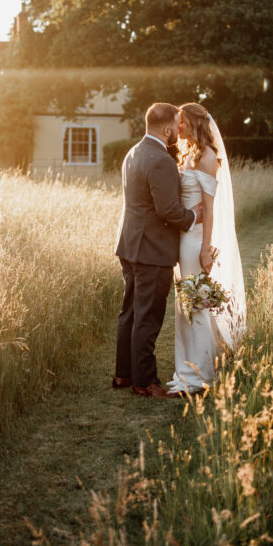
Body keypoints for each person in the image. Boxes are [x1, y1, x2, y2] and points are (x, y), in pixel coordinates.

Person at [113, 103, 203, 399]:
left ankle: (124, 374)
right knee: (148, 316)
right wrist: (193, 216)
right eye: (176, 126)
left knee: (130, 313)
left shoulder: (133, 152)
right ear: (166, 129)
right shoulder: (161, 160)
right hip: (151, 249)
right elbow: (169, 211)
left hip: (129, 244)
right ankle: (145, 382)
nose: (178, 131)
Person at [166, 102, 246, 397]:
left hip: (195, 240)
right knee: (185, 304)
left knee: (195, 305)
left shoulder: (208, 157)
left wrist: (205, 249)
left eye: (182, 122)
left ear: (194, 124)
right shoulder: (188, 153)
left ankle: (199, 376)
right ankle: (187, 370)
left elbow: (210, 211)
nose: (178, 127)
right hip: (183, 236)